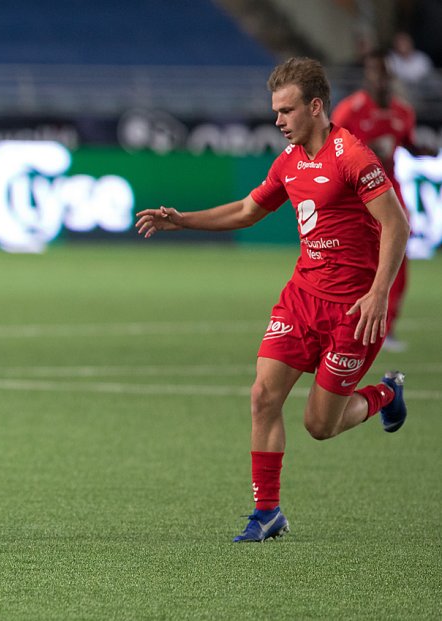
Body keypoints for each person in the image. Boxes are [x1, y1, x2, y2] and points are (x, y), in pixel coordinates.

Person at [135, 57, 409, 543]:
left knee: (319, 426)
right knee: (263, 396)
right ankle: (267, 513)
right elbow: (246, 209)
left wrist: (378, 294)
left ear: (316, 107)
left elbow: (396, 224)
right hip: (302, 299)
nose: (278, 120)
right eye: (276, 111)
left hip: (353, 311)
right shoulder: (289, 162)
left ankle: (385, 394)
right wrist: (183, 220)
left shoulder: (352, 157)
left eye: (286, 110)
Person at [332, 50, 426, 352]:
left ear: (391, 75)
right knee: (353, 263)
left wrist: (424, 149)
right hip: (356, 196)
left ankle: (387, 328)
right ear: (367, 75)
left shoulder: (403, 112)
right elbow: (331, 146)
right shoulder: (351, 110)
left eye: (384, 72)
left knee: (397, 262)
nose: (380, 78)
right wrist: (366, 149)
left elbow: (408, 143)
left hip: (390, 193)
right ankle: (343, 324)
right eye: (374, 71)